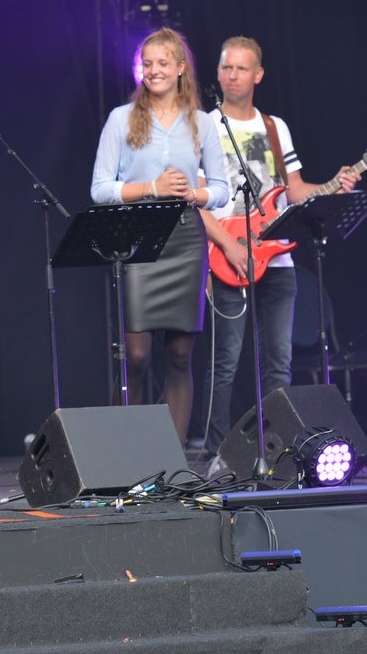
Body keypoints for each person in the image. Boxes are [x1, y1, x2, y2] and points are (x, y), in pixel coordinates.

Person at [200, 36, 359, 458]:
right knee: (225, 361)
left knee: (278, 362)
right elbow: (196, 199)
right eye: (226, 67)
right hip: (228, 252)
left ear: (258, 75)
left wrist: (333, 185)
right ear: (218, 72)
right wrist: (228, 246)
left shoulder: (275, 127)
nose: (233, 75)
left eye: (241, 68)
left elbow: (292, 190)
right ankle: (216, 454)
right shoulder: (204, 126)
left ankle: (279, 452)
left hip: (276, 255)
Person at [90, 28, 231, 445]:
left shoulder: (202, 122)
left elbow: (221, 189)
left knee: (180, 356)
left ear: (180, 68)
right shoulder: (121, 118)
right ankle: (128, 451)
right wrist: (151, 187)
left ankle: (171, 459)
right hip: (138, 237)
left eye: (162, 63)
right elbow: (100, 189)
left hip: (186, 239)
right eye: (146, 63)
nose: (153, 71)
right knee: (136, 356)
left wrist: (196, 194)